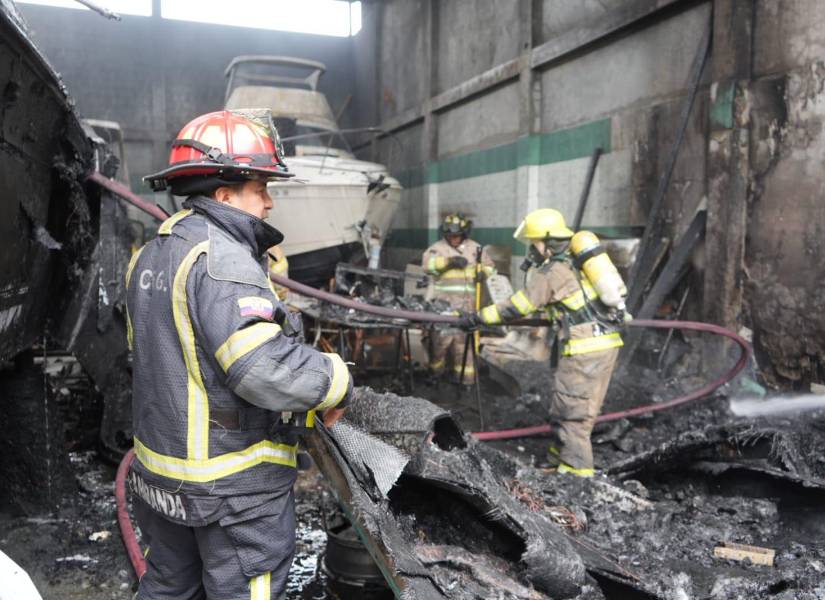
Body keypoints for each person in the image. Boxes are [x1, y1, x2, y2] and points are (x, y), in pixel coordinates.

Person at [128, 109, 352, 598]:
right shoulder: (222, 257)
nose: (269, 202)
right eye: (261, 188)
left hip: (162, 478)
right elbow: (260, 368)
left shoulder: (152, 254)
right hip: (231, 489)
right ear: (225, 194)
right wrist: (337, 379)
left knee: (169, 587)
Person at [466, 209, 625, 477]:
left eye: (534, 243)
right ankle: (559, 455)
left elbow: (519, 306)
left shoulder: (551, 272)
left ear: (547, 242)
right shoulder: (575, 263)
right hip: (604, 344)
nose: (532, 250)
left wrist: (478, 317)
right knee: (578, 406)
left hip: (585, 349)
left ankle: (575, 474)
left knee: (572, 411)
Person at [422, 213, 495, 384]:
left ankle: (465, 383)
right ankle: (436, 378)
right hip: (443, 310)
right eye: (449, 235)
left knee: (464, 350)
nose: (453, 239)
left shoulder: (476, 249)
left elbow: (491, 267)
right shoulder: (437, 249)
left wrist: (483, 273)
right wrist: (448, 262)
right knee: (439, 346)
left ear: (464, 233)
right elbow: (427, 266)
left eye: (456, 235)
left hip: (467, 309)